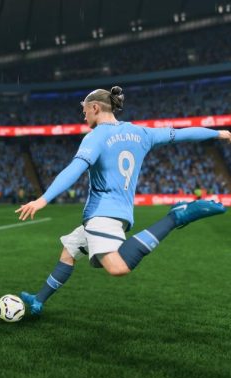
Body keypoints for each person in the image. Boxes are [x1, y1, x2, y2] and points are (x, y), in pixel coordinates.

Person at [15, 86, 230, 316]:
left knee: (117, 267)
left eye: (84, 110)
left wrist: (43, 199)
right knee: (69, 250)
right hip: (119, 214)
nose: (84, 116)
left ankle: (175, 217)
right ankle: (38, 300)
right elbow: (181, 134)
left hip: (101, 215)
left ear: (95, 107)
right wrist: (217, 133)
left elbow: (74, 169)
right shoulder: (141, 133)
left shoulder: (96, 137)